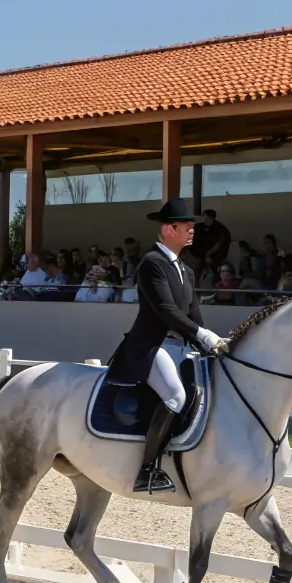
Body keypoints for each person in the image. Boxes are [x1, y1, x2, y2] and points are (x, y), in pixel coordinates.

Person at [107, 199, 230, 495]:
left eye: (192, 227)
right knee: (175, 396)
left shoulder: (185, 270)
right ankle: (147, 469)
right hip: (152, 346)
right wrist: (203, 335)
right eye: (187, 227)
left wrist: (212, 344)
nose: (192, 232)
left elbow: (193, 315)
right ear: (168, 228)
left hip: (181, 347)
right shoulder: (151, 264)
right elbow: (166, 312)